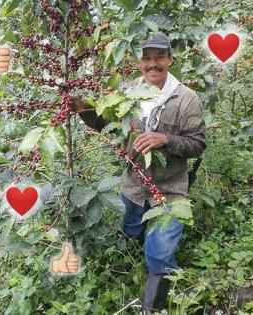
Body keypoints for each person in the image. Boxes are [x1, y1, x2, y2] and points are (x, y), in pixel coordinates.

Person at [72, 32, 206, 311]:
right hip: (133, 186)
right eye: (147, 58)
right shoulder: (127, 93)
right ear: (138, 62)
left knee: (159, 254)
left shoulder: (186, 99)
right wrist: (84, 109)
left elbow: (197, 145)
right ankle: (132, 259)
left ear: (170, 59)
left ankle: (153, 307)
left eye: (159, 57)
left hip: (169, 192)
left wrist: (166, 139)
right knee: (131, 230)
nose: (153, 64)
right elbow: (107, 125)